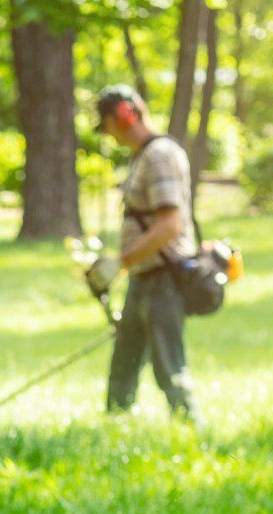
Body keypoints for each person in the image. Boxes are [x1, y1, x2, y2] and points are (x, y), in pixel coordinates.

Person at [89, 85, 198, 422]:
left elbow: (170, 225)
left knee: (168, 364)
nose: (107, 133)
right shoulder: (143, 157)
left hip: (162, 278)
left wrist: (120, 263)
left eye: (107, 123)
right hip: (142, 278)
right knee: (124, 360)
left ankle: (191, 427)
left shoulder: (159, 155)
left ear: (123, 115)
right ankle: (116, 427)